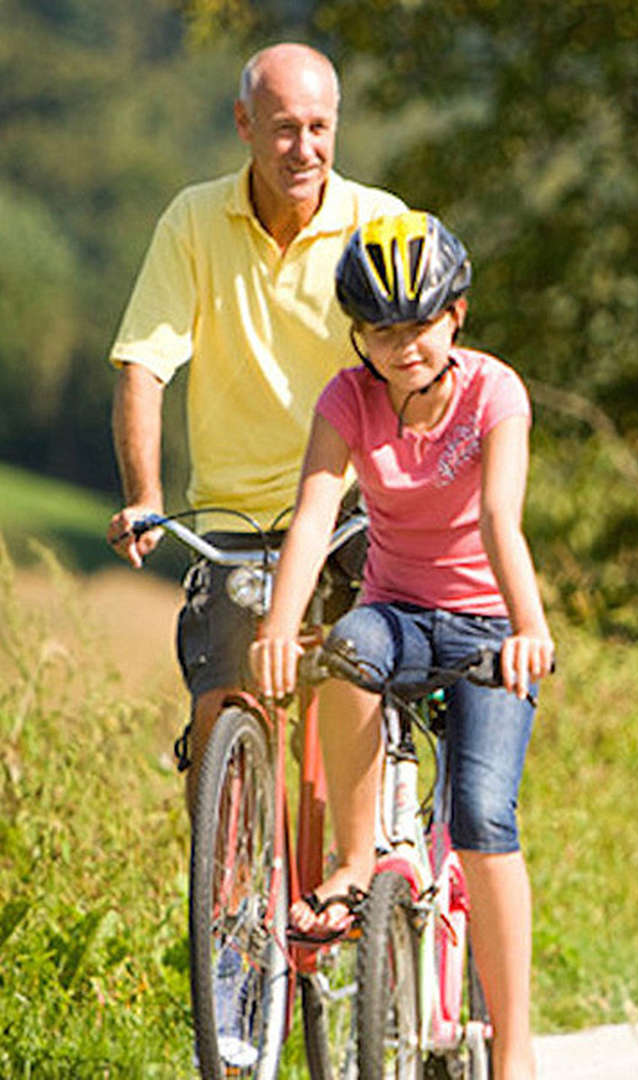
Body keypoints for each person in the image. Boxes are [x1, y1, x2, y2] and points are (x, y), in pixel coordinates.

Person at [249, 211, 554, 1080]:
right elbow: (314, 513)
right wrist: (279, 625)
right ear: (360, 334)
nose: (403, 346)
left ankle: (517, 1046)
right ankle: (356, 861)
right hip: (397, 611)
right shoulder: (348, 398)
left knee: (483, 817)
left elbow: (500, 520)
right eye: (383, 330)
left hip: (490, 629)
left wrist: (528, 629)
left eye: (419, 325)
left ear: (455, 315)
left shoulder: (498, 392)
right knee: (345, 646)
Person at [103, 42, 406, 798]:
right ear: (243, 123)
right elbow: (144, 365)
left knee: (357, 691)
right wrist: (144, 496)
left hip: (353, 507)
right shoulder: (195, 221)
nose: (303, 149)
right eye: (281, 128)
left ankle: (360, 873)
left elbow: (417, 375)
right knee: (219, 710)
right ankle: (231, 893)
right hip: (235, 514)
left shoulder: (380, 222)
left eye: (318, 127)